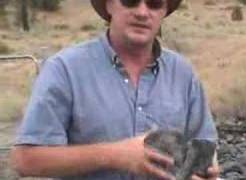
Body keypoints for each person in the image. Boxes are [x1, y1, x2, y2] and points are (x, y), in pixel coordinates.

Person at [11, 0, 220, 179]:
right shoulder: (65, 69)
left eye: (154, 3)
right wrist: (115, 155)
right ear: (109, 4)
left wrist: (205, 172)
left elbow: (204, 149)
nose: (142, 11)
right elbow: (26, 159)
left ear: (164, 11)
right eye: (130, 0)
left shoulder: (183, 74)